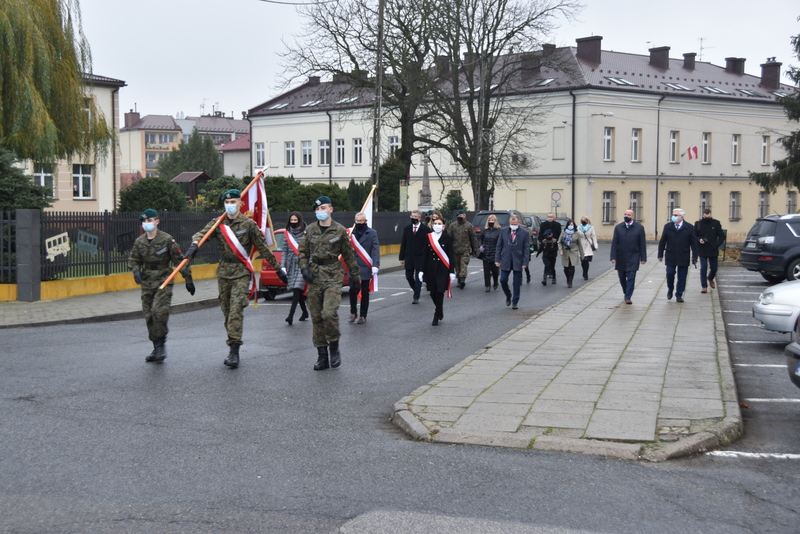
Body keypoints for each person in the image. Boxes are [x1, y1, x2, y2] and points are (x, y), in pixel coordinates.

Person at [184, 189, 287, 369]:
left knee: (236, 310)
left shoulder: (249, 225)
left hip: (241, 272)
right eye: (227, 202)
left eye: (233, 202)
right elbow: (201, 234)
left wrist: (278, 269)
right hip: (224, 272)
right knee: (226, 310)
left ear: (240, 203)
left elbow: (263, 248)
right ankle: (233, 340)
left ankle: (234, 350)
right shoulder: (218, 223)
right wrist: (194, 245)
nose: (230, 205)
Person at [298, 196, 360, 371]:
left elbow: (348, 255)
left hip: (333, 275)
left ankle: (334, 348)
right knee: (316, 317)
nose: (320, 212)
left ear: (331, 209)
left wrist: (355, 278)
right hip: (315, 275)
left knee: (329, 313)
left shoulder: (339, 231)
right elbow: (302, 252)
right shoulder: (309, 230)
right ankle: (322, 356)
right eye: (317, 209)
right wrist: (304, 268)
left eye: (323, 208)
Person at [128, 208, 194, 363]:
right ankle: (157, 346)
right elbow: (133, 260)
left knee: (159, 312)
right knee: (149, 315)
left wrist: (188, 279)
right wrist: (136, 271)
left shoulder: (166, 239)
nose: (147, 224)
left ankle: (161, 345)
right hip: (147, 281)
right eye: (144, 221)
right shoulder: (140, 242)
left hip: (164, 279)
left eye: (149, 221)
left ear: (157, 221)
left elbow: (179, 260)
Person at [658, 208, 699, 303]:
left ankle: (679, 294)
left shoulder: (688, 227)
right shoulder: (668, 226)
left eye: (676, 215)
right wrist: (660, 254)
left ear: (682, 217)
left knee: (682, 277)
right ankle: (670, 288)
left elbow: (693, 243)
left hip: (683, 254)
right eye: (673, 214)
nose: (673, 216)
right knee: (670, 273)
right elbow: (663, 241)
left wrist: (695, 256)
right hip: (671, 254)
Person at [422, 216, 456, 325]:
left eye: (439, 223)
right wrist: (421, 270)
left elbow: (451, 255)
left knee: (440, 291)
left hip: (442, 268)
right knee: (432, 292)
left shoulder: (448, 237)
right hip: (430, 268)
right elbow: (425, 254)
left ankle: (436, 315)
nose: (437, 225)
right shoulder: (428, 237)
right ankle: (439, 308)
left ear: (443, 226)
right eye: (435, 223)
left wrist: (451, 271)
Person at [348, 212, 380, 324]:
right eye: (357, 221)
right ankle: (353, 312)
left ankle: (363, 315)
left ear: (365, 221)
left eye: (361, 221)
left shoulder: (371, 233)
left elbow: (376, 250)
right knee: (352, 290)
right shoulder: (351, 232)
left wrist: (376, 265)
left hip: (366, 266)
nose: (359, 223)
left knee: (365, 291)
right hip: (353, 266)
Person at [610, 208, 647, 304]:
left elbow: (642, 243)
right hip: (621, 256)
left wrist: (643, 258)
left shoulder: (639, 228)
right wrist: (613, 257)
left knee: (631, 277)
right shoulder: (618, 227)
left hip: (634, 256)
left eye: (629, 215)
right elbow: (614, 243)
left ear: (633, 217)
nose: (626, 216)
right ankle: (626, 291)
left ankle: (628, 296)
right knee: (622, 277)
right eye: (625, 214)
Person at [495, 214, 530, 309]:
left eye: (515, 223)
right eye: (512, 222)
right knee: (503, 280)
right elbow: (499, 246)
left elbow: (526, 248)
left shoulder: (524, 233)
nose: (513, 224)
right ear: (509, 222)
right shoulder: (503, 231)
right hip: (506, 259)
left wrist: (525, 262)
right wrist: (497, 259)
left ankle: (515, 301)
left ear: (519, 222)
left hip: (518, 260)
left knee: (516, 283)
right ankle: (508, 294)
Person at [281, 211, 308, 325]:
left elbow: (309, 250)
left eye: (295, 220)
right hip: (291, 265)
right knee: (296, 289)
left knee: (297, 288)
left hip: (302, 264)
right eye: (291, 220)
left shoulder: (306, 233)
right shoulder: (287, 234)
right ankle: (305, 312)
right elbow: (285, 251)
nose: (293, 222)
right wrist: (283, 266)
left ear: (299, 221)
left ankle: (290, 316)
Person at [399, 210, 430, 304]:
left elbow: (428, 244)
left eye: (415, 217)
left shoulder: (425, 229)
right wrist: (401, 257)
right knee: (409, 276)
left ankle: (416, 296)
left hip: (420, 257)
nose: (413, 218)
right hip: (409, 256)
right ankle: (416, 289)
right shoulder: (407, 228)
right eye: (412, 216)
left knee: (418, 277)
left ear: (419, 218)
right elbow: (403, 243)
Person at [694, 208, 725, 293]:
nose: (707, 217)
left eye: (708, 215)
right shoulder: (698, 224)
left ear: (710, 214)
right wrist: (699, 239)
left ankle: (710, 278)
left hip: (713, 249)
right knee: (703, 267)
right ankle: (704, 286)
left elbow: (722, 236)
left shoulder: (716, 223)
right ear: (702, 215)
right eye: (705, 216)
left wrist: (717, 244)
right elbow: (694, 236)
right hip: (702, 249)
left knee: (714, 268)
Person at [447, 209, 478, 289]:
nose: (460, 217)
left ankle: (462, 280)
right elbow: (448, 237)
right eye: (458, 215)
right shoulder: (453, 225)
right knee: (457, 266)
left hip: (465, 249)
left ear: (465, 216)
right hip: (455, 249)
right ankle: (459, 279)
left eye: (461, 215)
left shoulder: (468, 225)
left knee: (463, 264)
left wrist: (475, 249)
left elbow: (473, 238)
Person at [478, 214, 501, 292]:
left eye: (492, 220)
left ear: (495, 221)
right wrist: (480, 245)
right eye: (490, 220)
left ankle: (495, 282)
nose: (491, 222)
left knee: (495, 271)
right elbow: (480, 238)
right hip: (486, 252)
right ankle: (487, 285)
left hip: (495, 253)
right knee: (486, 271)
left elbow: (501, 241)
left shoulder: (499, 230)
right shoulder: (484, 230)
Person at [558, 218, 584, 288]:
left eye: (572, 224)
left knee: (572, 266)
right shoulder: (563, 232)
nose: (570, 225)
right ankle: (567, 277)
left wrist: (582, 255)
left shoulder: (576, 233)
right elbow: (559, 242)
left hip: (573, 251)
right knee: (566, 268)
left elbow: (580, 244)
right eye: (569, 224)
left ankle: (570, 280)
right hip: (565, 252)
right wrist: (561, 251)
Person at [538, 213, 562, 284]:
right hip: (545, 246)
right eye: (549, 216)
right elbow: (540, 234)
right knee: (546, 264)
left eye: (551, 217)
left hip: (553, 247)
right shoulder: (543, 225)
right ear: (547, 217)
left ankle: (554, 277)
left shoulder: (557, 225)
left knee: (552, 264)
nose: (550, 218)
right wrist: (542, 241)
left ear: (553, 217)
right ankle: (544, 278)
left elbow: (559, 234)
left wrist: (556, 241)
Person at [577, 216, 599, 280]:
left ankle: (585, 273)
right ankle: (584, 270)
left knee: (586, 260)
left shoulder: (591, 227)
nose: (582, 221)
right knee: (582, 261)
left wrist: (596, 246)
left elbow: (594, 237)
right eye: (582, 220)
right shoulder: (578, 227)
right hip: (581, 244)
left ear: (587, 221)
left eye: (584, 220)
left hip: (588, 244)